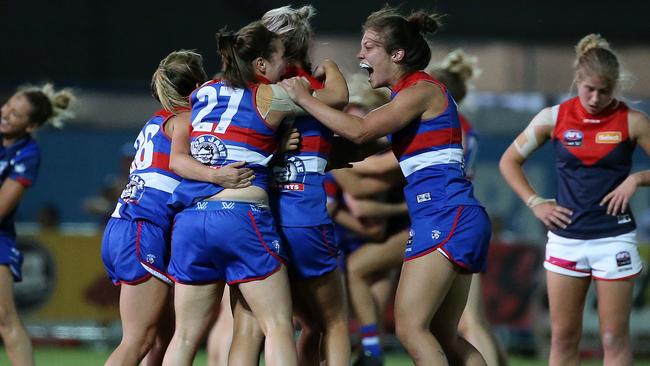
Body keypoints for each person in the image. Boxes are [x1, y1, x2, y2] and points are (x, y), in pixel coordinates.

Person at [281, 7, 491, 365]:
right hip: (452, 214)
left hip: (445, 213)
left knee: (411, 329)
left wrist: (303, 98)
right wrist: (308, 152)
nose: (361, 55)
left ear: (397, 55)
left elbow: (360, 130)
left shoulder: (422, 90)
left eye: (369, 47)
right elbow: (362, 147)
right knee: (442, 336)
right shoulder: (409, 100)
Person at [162, 20, 347, 366]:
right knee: (277, 326)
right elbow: (337, 97)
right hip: (240, 219)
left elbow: (194, 153)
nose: (285, 66)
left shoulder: (203, 93)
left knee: (184, 335)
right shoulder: (268, 95)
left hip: (190, 222)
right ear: (260, 65)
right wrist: (332, 66)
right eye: (281, 58)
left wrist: (267, 148)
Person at [499, 34, 650, 366]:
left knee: (613, 338)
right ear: (577, 81)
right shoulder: (552, 118)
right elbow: (508, 161)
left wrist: (636, 179)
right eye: (589, 89)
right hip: (566, 241)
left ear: (615, 88)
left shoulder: (633, 121)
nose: (596, 98)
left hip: (614, 239)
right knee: (564, 337)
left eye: (604, 91)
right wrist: (535, 202)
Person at [101, 50, 254, 366]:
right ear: (198, 84)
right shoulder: (186, 120)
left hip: (126, 225)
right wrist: (219, 174)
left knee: (162, 338)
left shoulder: (157, 121)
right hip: (143, 226)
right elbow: (182, 162)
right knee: (138, 340)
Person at [431, 50, 508, 366]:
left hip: (450, 218)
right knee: (473, 319)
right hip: (459, 216)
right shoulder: (462, 122)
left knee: (468, 321)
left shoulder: (448, 122)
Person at [0, 83, 75, 366]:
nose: (5, 114)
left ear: (30, 125)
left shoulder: (27, 154)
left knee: (5, 319)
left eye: (15, 114)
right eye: (7, 106)